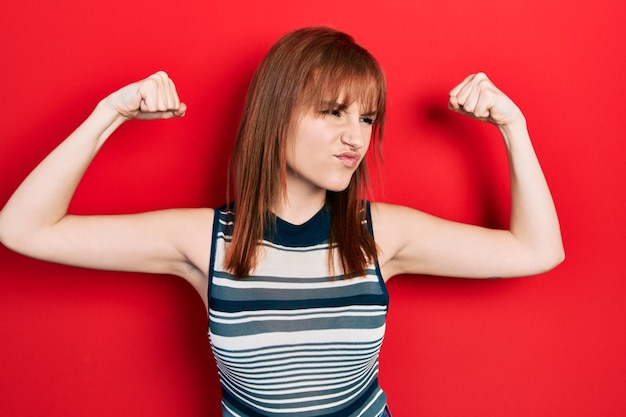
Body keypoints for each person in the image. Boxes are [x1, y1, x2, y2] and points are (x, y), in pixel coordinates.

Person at [0, 27, 563, 417]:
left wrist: (514, 126)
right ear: (277, 114)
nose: (356, 137)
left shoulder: (380, 237)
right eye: (333, 111)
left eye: (366, 118)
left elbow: (537, 250)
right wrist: (111, 114)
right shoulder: (204, 241)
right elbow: (22, 228)